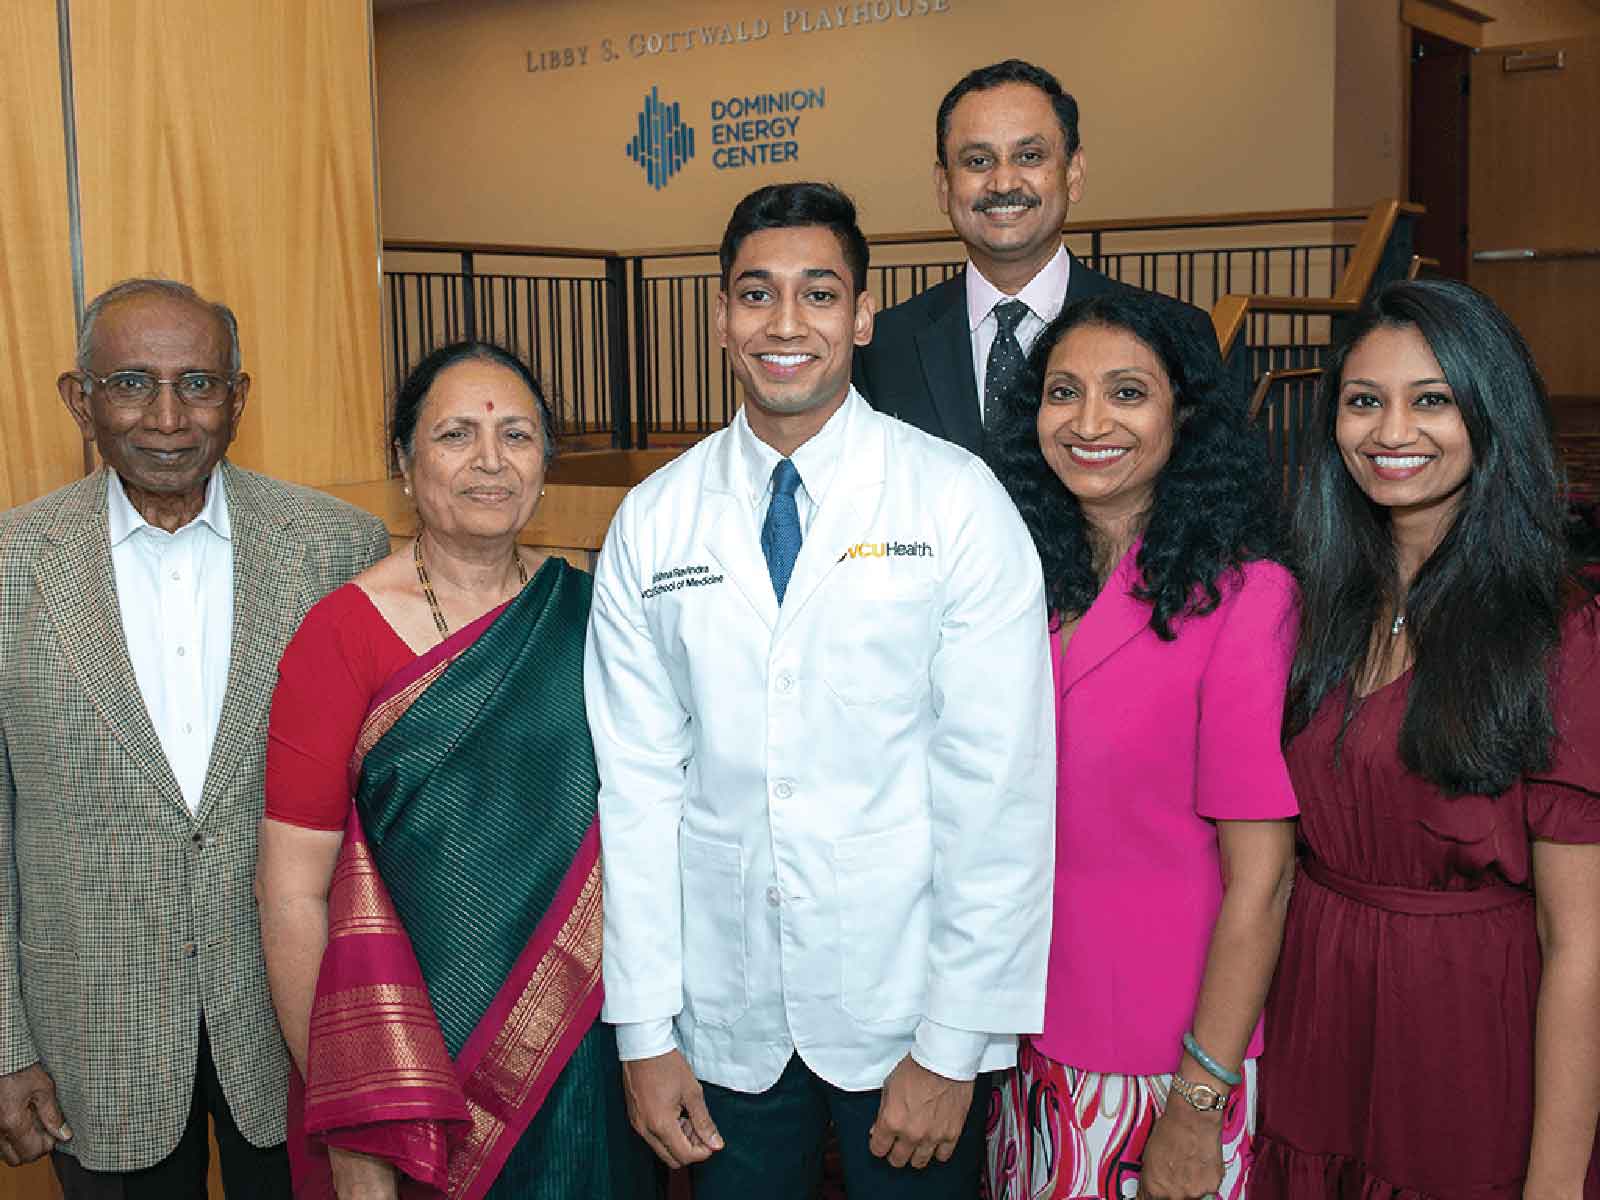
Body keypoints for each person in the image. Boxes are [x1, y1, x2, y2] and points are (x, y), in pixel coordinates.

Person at [585, 181, 1055, 1199]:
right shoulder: (654, 522)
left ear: (863, 312)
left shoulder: (954, 501)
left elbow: (1000, 794)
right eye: (755, 295)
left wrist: (954, 1041)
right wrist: (644, 1030)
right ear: (719, 316)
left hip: (907, 1014)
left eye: (818, 293)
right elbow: (636, 792)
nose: (786, 324)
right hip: (723, 1014)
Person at [0, 278, 389, 1197]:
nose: (169, 417)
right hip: (92, 1037)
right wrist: (4, 1041)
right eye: (131, 383)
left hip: (295, 1025)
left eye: (199, 384)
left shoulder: (338, 547)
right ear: (78, 399)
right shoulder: (12, 568)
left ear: (240, 397)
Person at [256, 341, 650, 1200]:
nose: (489, 461)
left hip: (585, 1044)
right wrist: (349, 1116)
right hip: (409, 1066)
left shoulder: (594, 615)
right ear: (404, 462)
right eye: (455, 435)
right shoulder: (340, 637)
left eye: (516, 434)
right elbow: (290, 891)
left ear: (546, 461)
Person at [1253, 279, 1600, 1198]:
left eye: (1431, 400)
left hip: (1467, 1050)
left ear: (1490, 413)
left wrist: (1557, 1183)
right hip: (1316, 1030)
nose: (1390, 431)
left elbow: (1583, 946)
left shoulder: (1560, 634)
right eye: (1364, 401)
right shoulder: (1315, 607)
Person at [982, 291, 1299, 1200]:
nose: (1089, 423)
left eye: (1127, 393)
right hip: (1018, 1038)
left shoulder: (1248, 596)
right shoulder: (1014, 577)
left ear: (1183, 414)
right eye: (1063, 392)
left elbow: (1263, 879)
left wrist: (1198, 1103)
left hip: (1161, 1059)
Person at [854, 58, 1218, 454]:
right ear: (944, 186)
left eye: (1029, 156)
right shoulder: (882, 347)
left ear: (1073, 174)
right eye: (978, 161)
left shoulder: (1176, 336)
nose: (1004, 182)